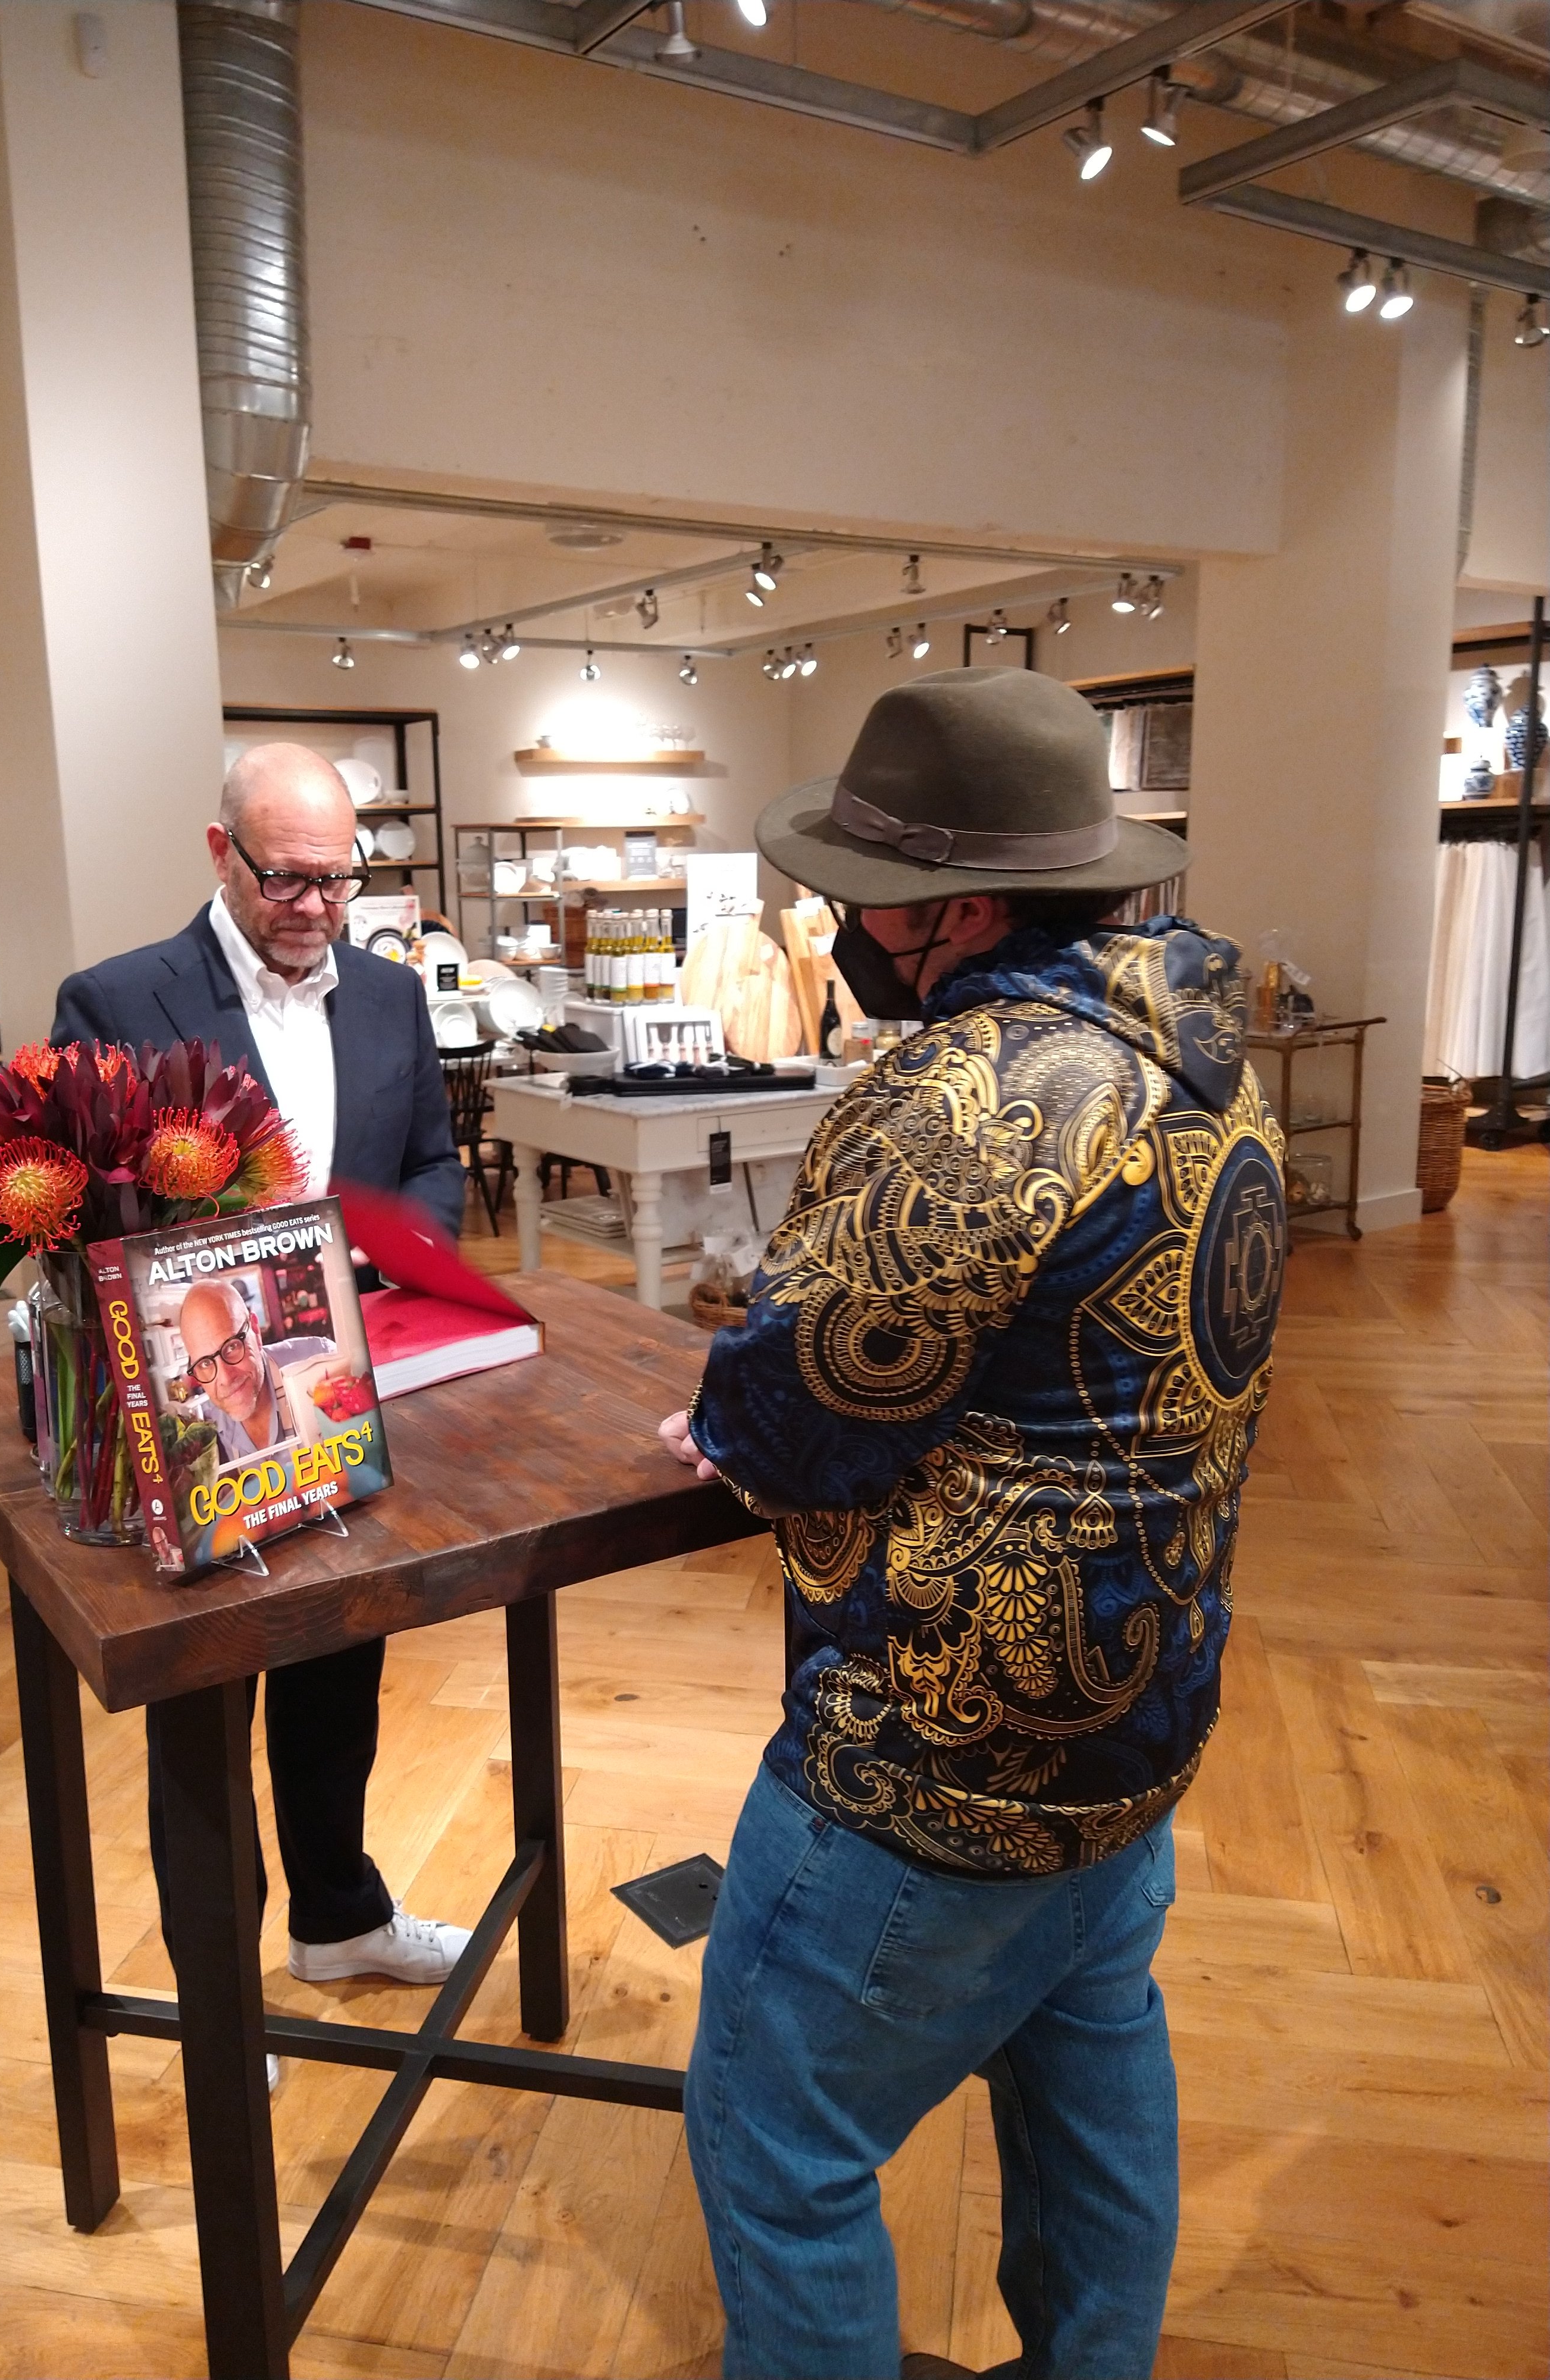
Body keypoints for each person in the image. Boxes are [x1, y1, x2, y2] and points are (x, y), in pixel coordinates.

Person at [658, 669, 1286, 2380]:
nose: (847, 919)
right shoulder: (1214, 1062)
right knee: (1096, 2095)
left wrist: (723, 1411)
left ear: (970, 908)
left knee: (779, 2151)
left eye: (874, 890)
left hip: (934, 1753)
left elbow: (800, 1414)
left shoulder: (967, 1091)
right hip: (1142, 1714)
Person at [53, 744, 469, 1990]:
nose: (315, 911)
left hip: (338, 1394)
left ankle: (338, 1917)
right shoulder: (119, 1000)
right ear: (220, 849)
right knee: (206, 1709)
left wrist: (394, 1266)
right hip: (192, 1417)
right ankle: (219, 1990)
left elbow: (432, 1161)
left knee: (341, 1658)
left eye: (338, 882)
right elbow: (83, 1216)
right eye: (288, 881)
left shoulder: (390, 996)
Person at [178, 1276, 333, 1464]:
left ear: (256, 1331)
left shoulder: (322, 1361)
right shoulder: (205, 1431)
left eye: (232, 1347)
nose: (226, 1378)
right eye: (205, 1364)